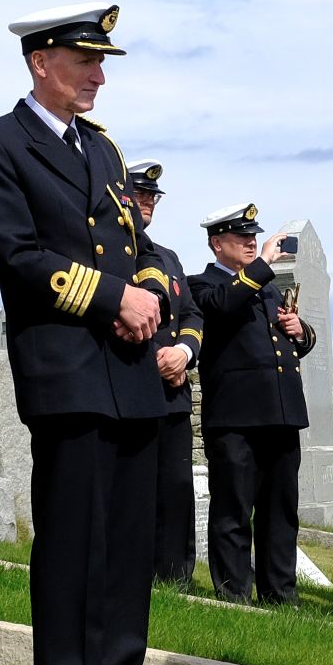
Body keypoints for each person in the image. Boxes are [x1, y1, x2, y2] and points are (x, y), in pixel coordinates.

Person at [0, 3, 186, 665]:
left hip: (130, 373)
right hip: (69, 370)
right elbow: (16, 257)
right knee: (73, 547)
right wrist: (112, 297)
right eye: (85, 62)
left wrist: (148, 290)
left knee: (127, 549)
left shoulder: (104, 150)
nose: (97, 77)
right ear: (40, 63)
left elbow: (139, 241)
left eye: (102, 64)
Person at [190, 201, 316, 604]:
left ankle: (281, 593)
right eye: (241, 237)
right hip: (235, 417)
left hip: (279, 414)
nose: (251, 242)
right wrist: (260, 266)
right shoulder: (204, 285)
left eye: (253, 236)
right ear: (216, 244)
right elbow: (222, 306)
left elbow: (287, 345)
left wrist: (301, 332)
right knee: (233, 509)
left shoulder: (266, 289)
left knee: (280, 511)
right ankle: (233, 594)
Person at [124, 161, 204, 587]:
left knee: (176, 488)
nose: (147, 201)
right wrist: (157, 358)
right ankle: (136, 575)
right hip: (134, 387)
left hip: (173, 394)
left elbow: (191, 313)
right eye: (139, 194)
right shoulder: (115, 249)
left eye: (152, 196)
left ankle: (176, 577)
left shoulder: (168, 257)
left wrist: (184, 351)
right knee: (137, 489)